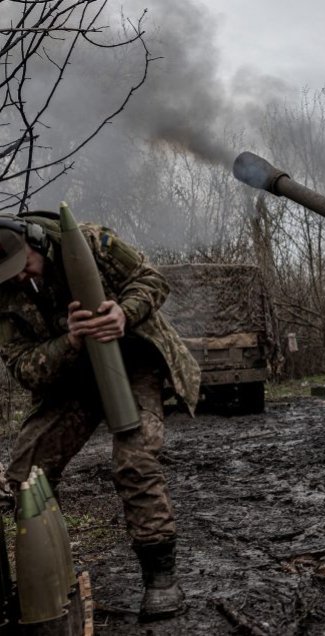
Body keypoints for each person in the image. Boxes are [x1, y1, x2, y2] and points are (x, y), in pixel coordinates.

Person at [0, 212, 200, 622]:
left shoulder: (92, 243)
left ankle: (161, 577)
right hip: (71, 378)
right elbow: (22, 366)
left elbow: (152, 280)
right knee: (25, 473)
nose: (19, 279)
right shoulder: (4, 296)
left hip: (133, 364)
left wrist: (123, 313)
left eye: (22, 267)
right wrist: (69, 341)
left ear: (34, 241)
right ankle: (43, 583)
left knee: (135, 460)